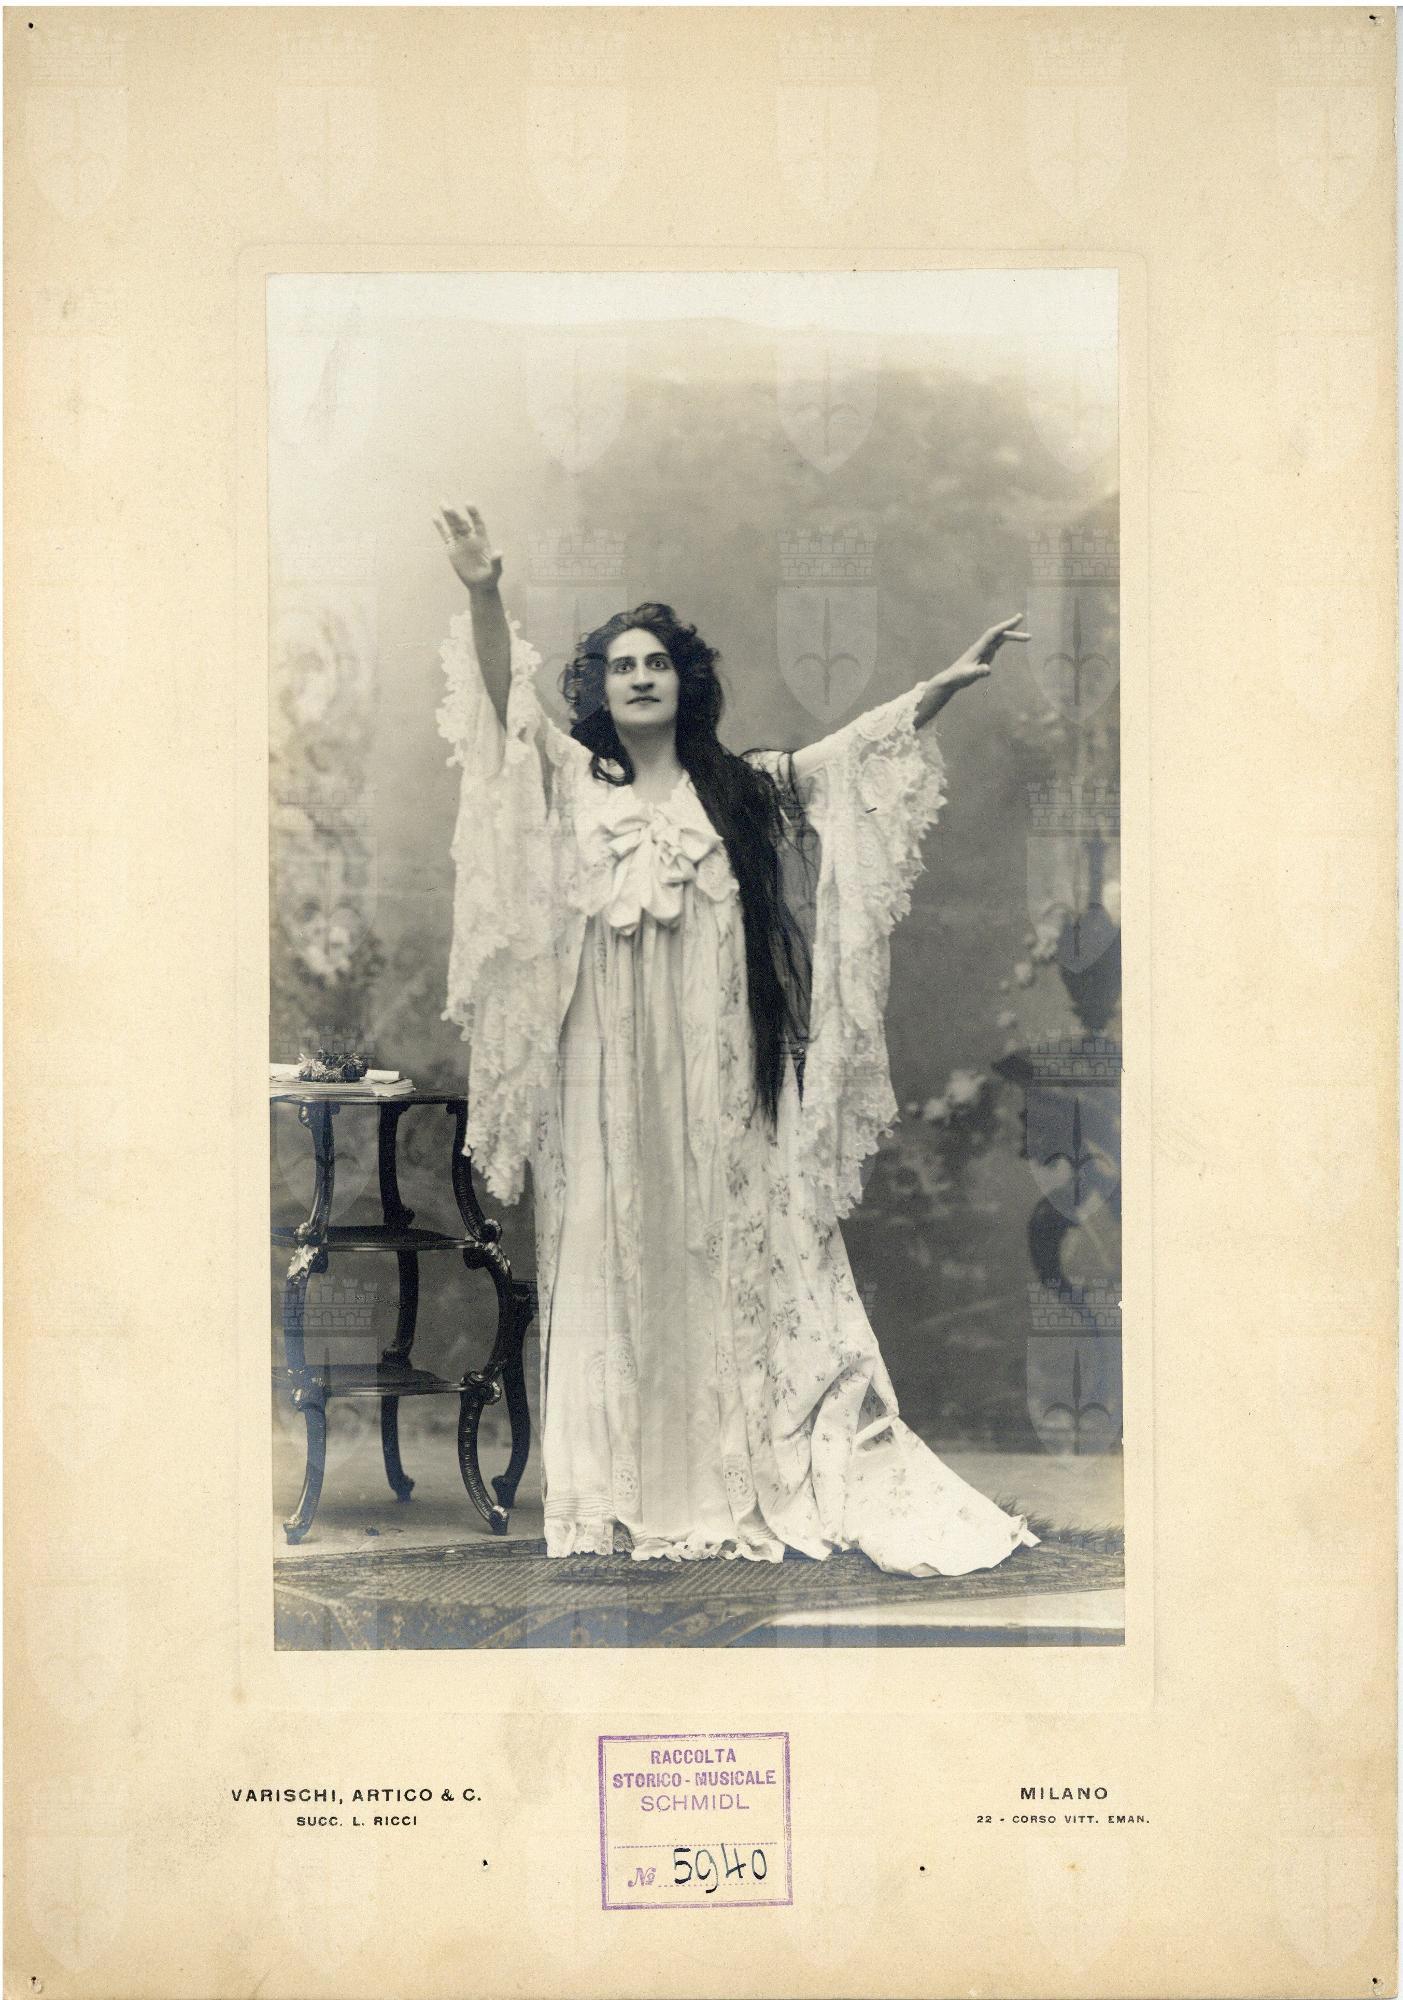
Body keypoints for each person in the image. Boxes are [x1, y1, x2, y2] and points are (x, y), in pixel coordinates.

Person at [434, 502, 1042, 1576]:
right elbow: (500, 705)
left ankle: (724, 1477)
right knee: (613, 1250)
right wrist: (485, 592)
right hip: (602, 1073)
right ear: (599, 688)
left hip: (716, 1077)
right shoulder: (572, 782)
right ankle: (617, 1494)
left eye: (656, 663)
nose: (639, 678)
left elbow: (845, 760)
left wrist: (939, 686)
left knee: (718, 1249)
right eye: (620, 665)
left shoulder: (737, 788)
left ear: (685, 683)